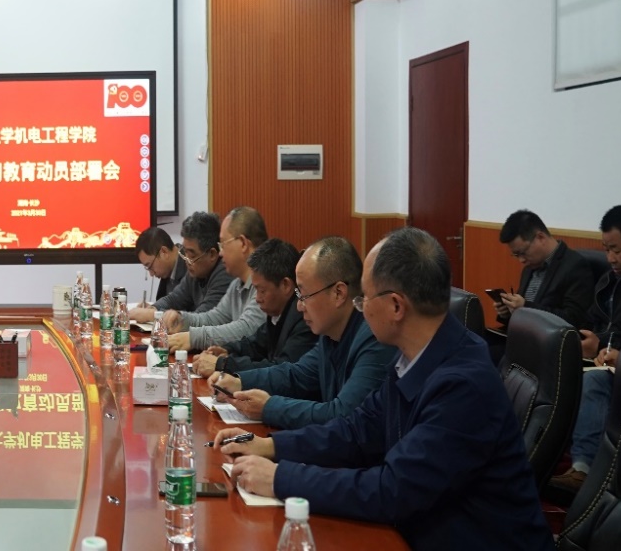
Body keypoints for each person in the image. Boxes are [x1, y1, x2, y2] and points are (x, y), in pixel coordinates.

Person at [217, 227, 553, 551]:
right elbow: (357, 431)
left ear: (395, 306)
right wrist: (271, 446)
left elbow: (393, 490)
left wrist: (280, 479)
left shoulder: (463, 385)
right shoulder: (414, 357)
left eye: (364, 297)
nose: (359, 308)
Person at [209, 236, 394, 428]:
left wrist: (268, 408)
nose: (299, 306)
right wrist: (239, 382)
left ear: (338, 293)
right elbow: (296, 375)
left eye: (305, 295)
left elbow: (343, 416)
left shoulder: (374, 338)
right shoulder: (329, 335)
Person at [549, 203, 621, 492]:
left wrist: (618, 353)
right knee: (551, 363)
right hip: (606, 359)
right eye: (606, 249)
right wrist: (587, 342)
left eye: (616, 250)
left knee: (595, 382)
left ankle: (583, 469)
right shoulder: (610, 279)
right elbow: (591, 320)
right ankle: (537, 452)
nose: (610, 258)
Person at [193, 238, 315, 376]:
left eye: (262, 291)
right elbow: (255, 345)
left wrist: (224, 365)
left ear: (285, 285)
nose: (257, 298)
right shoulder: (277, 313)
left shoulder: (304, 319)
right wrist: (227, 350)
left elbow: (281, 371)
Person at [164, 207, 265, 352]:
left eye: (223, 244)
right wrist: (182, 320)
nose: (220, 253)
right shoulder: (237, 284)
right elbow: (215, 318)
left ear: (243, 243)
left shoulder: (266, 282)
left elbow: (247, 329)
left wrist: (194, 338)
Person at [494, 209, 594, 329]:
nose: (521, 260)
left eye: (523, 252)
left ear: (540, 237)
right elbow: (522, 313)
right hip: (521, 333)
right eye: (516, 255)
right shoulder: (530, 267)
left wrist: (526, 307)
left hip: (549, 338)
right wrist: (508, 312)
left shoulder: (575, 266)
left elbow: (573, 319)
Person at [128, 223, 230, 319]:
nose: (186, 260)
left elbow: (204, 319)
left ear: (212, 254)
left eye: (192, 255)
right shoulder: (193, 268)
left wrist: (153, 315)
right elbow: (175, 298)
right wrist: (153, 308)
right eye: (185, 252)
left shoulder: (224, 272)